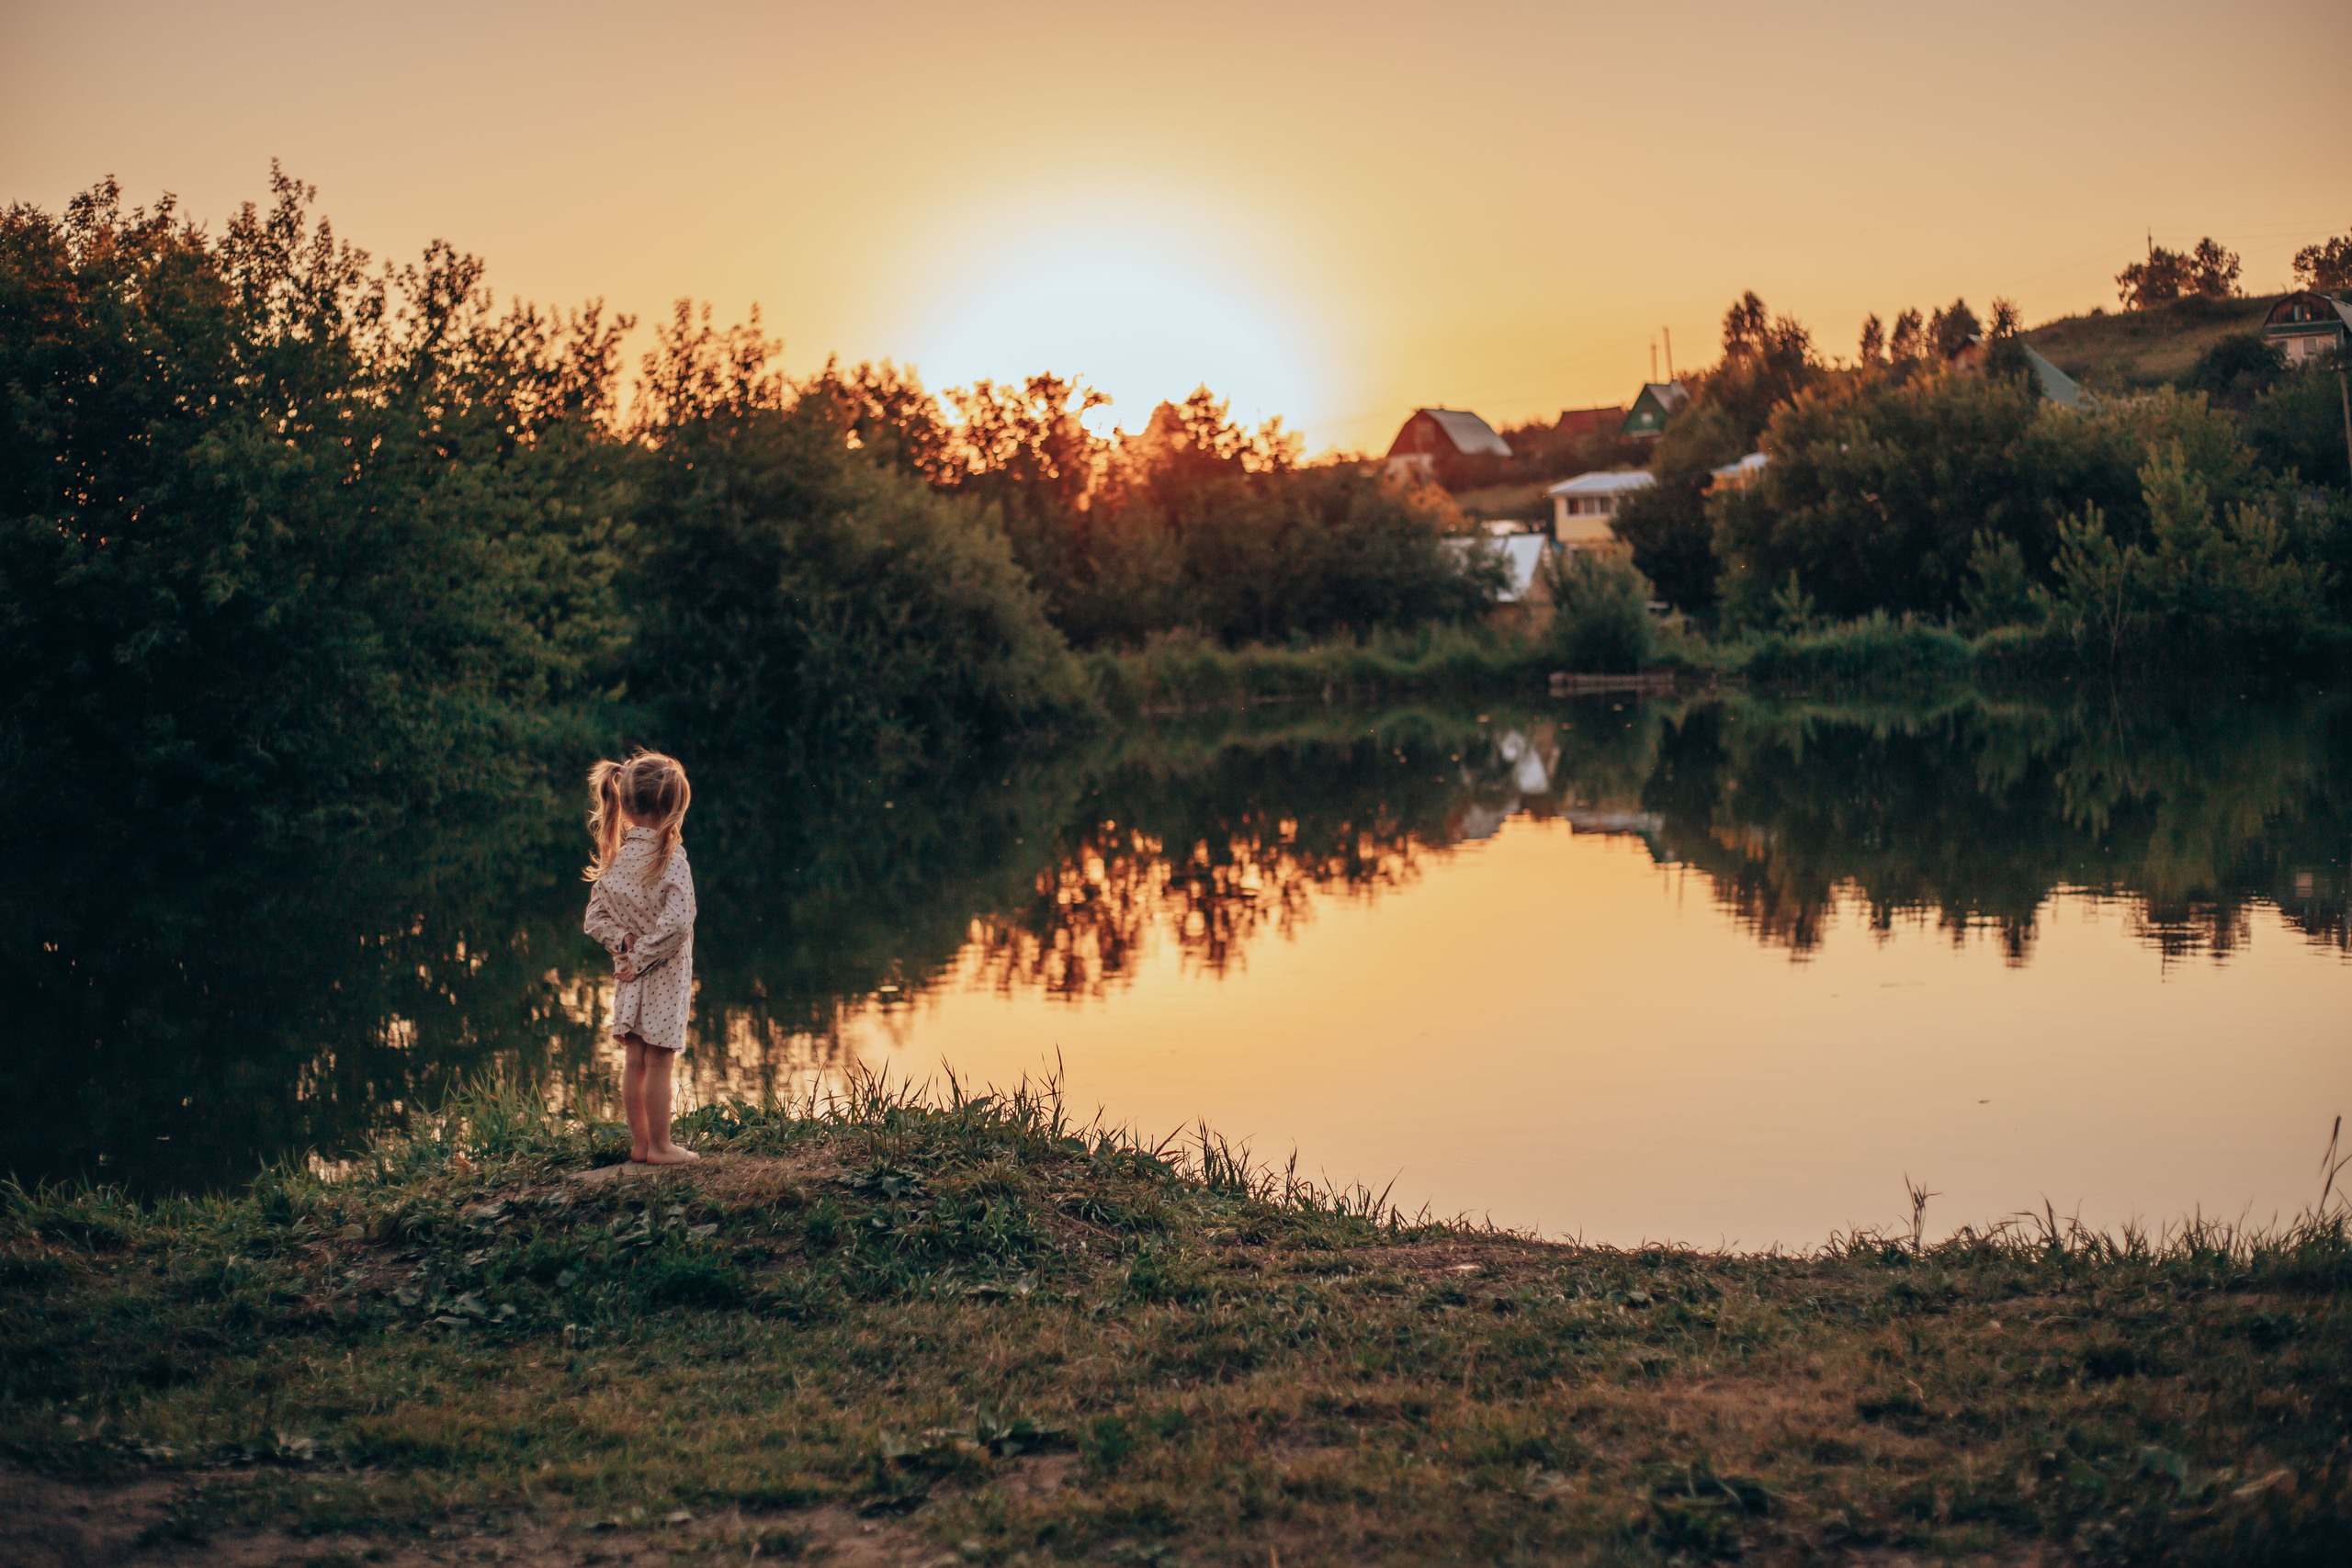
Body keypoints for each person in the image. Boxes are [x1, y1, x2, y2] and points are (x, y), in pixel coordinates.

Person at [582, 749, 700, 1165]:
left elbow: (593, 919)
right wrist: (645, 953)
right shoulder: (671, 860)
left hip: (628, 974)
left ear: (628, 808)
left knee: (634, 1059)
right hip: (663, 976)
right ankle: (662, 1147)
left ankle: (641, 1144)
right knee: (660, 1059)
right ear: (672, 809)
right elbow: (680, 922)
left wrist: (626, 944)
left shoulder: (617, 860)